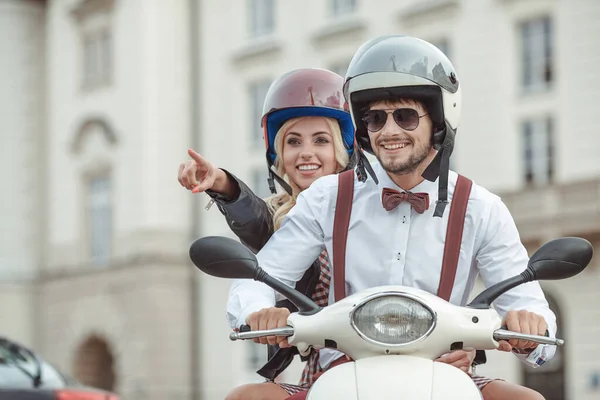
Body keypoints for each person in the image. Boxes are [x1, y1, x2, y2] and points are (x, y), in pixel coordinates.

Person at [226, 35, 553, 400]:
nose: (389, 131)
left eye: (406, 116)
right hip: (341, 371)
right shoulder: (327, 196)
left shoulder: (481, 207)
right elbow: (260, 277)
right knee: (248, 397)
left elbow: (534, 316)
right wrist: (260, 311)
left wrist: (529, 325)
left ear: (442, 117)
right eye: (375, 118)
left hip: (444, 372)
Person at [177, 68, 358, 398]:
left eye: (321, 140)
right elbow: (258, 224)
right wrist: (223, 184)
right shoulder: (283, 223)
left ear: (344, 151)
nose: (305, 152)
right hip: (329, 372)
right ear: (279, 157)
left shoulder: (376, 209)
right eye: (293, 141)